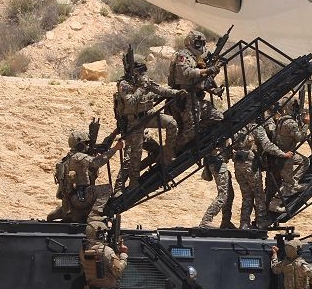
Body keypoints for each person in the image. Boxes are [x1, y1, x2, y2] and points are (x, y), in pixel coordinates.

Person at [114, 52, 183, 189]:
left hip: (148, 115)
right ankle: (133, 182)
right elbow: (131, 102)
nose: (143, 75)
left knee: (171, 123)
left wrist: (177, 93)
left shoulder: (144, 81)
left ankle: (168, 154)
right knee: (136, 153)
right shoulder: (124, 84)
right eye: (141, 72)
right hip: (134, 121)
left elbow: (160, 90)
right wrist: (141, 88)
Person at [48, 131, 122, 224]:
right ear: (79, 144)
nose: (87, 146)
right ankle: (94, 216)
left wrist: (113, 134)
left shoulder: (67, 158)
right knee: (107, 188)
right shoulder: (79, 157)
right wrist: (115, 148)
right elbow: (97, 162)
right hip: (80, 198)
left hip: (71, 199)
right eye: (85, 143)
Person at [168, 30, 223, 150]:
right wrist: (208, 70)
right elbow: (186, 73)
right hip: (184, 97)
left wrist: (213, 90)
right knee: (191, 129)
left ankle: (195, 138)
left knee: (218, 117)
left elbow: (200, 82)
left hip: (195, 97)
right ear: (190, 42)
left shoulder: (197, 59)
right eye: (198, 43)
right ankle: (173, 150)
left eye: (202, 43)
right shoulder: (182, 56)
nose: (201, 46)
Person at [232, 122, 292, 228]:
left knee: (246, 196)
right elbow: (267, 145)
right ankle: (261, 220)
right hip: (250, 165)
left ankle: (244, 223)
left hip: (238, 164)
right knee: (258, 194)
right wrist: (282, 154)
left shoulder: (238, 127)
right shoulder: (256, 127)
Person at [267, 100, 309, 215]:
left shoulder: (282, 120)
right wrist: (306, 124)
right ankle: (274, 204)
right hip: (286, 156)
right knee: (287, 184)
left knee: (305, 161)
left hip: (283, 153)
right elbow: (300, 137)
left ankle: (294, 183)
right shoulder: (291, 123)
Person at [199, 141, 235, 228]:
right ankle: (206, 220)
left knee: (229, 195)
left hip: (217, 163)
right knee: (223, 195)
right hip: (218, 164)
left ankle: (226, 221)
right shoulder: (219, 137)